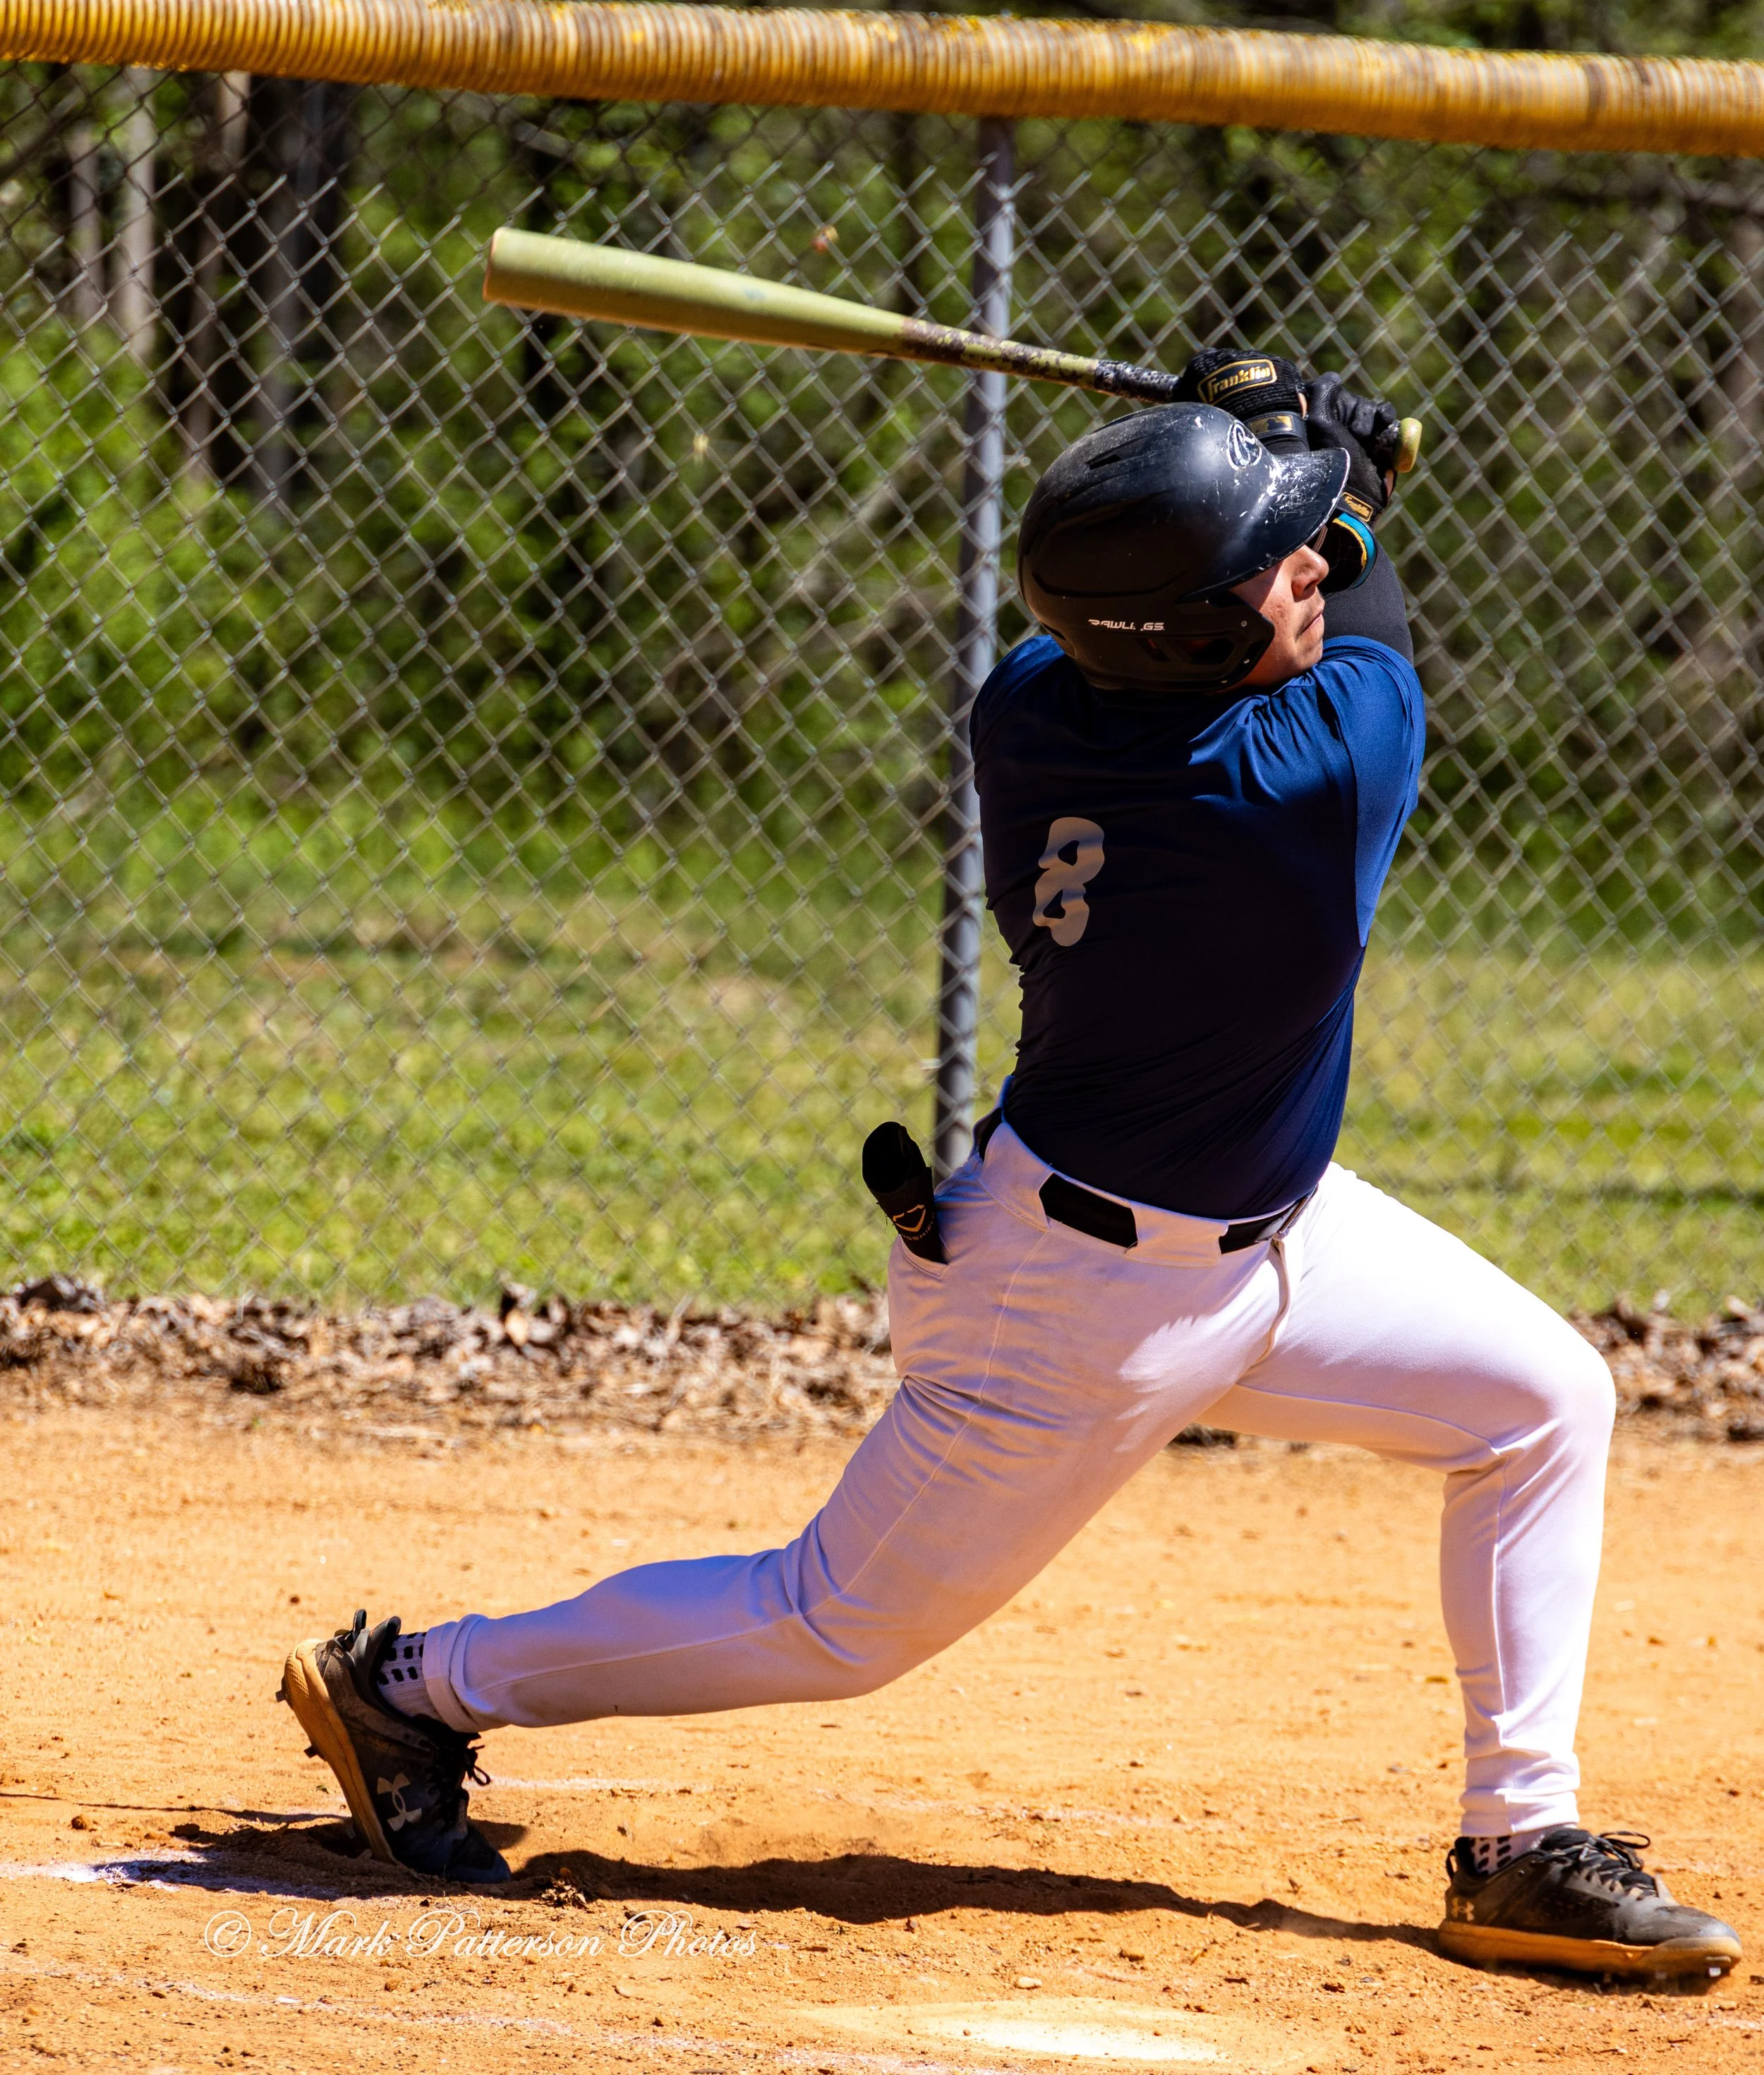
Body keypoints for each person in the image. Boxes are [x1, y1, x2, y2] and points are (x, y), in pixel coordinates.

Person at [281, 351, 1739, 1980]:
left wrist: (1230, 464)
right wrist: (1323, 452)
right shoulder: (1309, 782)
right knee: (831, 1625)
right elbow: (1372, 583)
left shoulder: (1030, 709)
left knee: (1542, 1400)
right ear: (1189, 636)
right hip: (1075, 1306)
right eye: (1278, 561)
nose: (1311, 566)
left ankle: (1519, 1840)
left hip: (1273, 1238)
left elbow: (1218, 586)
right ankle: (410, 1687)